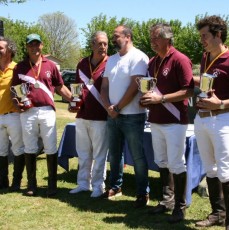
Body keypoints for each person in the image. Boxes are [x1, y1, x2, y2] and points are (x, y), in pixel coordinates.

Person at [140, 23, 194, 223]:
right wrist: (146, 99)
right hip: (156, 119)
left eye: (155, 38)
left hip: (174, 120)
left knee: (176, 163)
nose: (152, 41)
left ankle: (179, 207)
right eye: (151, 38)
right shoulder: (153, 62)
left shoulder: (180, 59)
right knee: (161, 161)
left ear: (167, 38)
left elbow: (188, 91)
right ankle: (167, 200)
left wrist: (160, 99)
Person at [11, 33, 73, 197]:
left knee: (50, 146)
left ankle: (52, 185)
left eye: (37, 44)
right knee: (30, 147)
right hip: (28, 111)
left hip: (47, 110)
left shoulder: (50, 65)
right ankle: (32, 185)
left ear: (42, 45)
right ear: (27, 47)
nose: (34, 47)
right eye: (31, 44)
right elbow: (15, 90)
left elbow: (60, 87)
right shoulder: (20, 67)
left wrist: (74, 101)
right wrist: (16, 102)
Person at [100, 25, 150, 208]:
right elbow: (104, 86)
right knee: (114, 155)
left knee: (137, 157)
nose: (113, 39)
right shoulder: (111, 59)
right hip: (113, 115)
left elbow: (135, 86)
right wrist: (108, 107)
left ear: (128, 37)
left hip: (133, 115)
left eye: (116, 36)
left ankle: (142, 192)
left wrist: (118, 107)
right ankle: (115, 187)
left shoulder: (139, 57)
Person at [194, 15, 229, 229]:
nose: (202, 40)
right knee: (210, 169)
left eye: (205, 36)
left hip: (223, 120)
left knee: (226, 171)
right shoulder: (205, 57)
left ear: (218, 35)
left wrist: (222, 104)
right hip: (202, 119)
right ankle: (217, 213)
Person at [69, 31, 109, 198]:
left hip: (101, 116)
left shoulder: (111, 63)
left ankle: (98, 186)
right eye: (99, 43)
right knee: (84, 152)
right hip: (82, 114)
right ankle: (83, 184)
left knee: (100, 154)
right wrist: (73, 102)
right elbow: (77, 88)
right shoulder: (82, 63)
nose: (103, 47)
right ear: (92, 45)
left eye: (105, 44)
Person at [0, 36, 25, 191]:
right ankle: (2, 182)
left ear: (9, 50)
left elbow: (22, 92)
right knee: (1, 151)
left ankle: (16, 182)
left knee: (18, 149)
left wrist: (22, 103)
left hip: (14, 116)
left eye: (0, 48)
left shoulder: (17, 68)